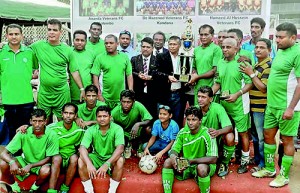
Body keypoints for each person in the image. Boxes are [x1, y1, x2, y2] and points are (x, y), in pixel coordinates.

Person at [252, 23, 300, 188]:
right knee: (268, 136)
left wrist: (291, 108)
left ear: (293, 37)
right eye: (276, 36)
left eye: (281, 37)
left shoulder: (298, 53)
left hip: (287, 106)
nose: (277, 40)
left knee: (287, 140)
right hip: (271, 105)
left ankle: (284, 175)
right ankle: (270, 168)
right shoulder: (280, 50)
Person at [30, 19, 85, 122]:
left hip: (62, 93)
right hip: (44, 93)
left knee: (64, 122)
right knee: (44, 122)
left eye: (55, 30)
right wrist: (4, 46)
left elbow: (74, 71)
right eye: (49, 29)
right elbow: (22, 50)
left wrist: (81, 89)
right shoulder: (37, 46)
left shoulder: (67, 50)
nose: (51, 32)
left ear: (61, 32)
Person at [212, 38, 253, 174]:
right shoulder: (220, 62)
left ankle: (245, 161)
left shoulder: (242, 63)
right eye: (223, 47)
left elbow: (250, 83)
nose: (225, 49)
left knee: (243, 134)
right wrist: (208, 95)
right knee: (227, 133)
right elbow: (218, 82)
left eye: (228, 47)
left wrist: (237, 94)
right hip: (224, 104)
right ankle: (227, 159)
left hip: (240, 105)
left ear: (236, 49)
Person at [0, 109, 59, 192]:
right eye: (34, 121)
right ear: (30, 121)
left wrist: (31, 166)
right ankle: (13, 185)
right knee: (3, 163)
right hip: (25, 161)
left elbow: (49, 158)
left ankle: (34, 187)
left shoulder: (52, 134)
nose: (37, 124)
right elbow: (3, 153)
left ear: (45, 121)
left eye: (40, 121)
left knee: (46, 171)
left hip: (42, 164)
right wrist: (12, 162)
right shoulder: (23, 132)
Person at [162, 106, 218, 193]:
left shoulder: (208, 134)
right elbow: (173, 150)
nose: (190, 123)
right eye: (188, 119)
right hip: (187, 164)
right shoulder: (182, 132)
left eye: (194, 120)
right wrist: (174, 159)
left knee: (201, 168)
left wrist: (190, 161)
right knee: (168, 162)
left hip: (202, 164)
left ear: (200, 121)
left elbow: (213, 159)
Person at [0, 24, 38, 141]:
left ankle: (24, 155)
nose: (14, 37)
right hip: (8, 99)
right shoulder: (1, 53)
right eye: (11, 34)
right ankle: (13, 155)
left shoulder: (29, 52)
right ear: (6, 36)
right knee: (11, 129)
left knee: (26, 129)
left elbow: (35, 69)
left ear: (22, 35)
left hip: (26, 98)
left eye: (16, 34)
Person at [240, 38, 272, 172]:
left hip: (261, 107)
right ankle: (258, 159)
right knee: (254, 136)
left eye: (262, 47)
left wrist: (251, 74)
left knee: (261, 137)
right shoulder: (256, 65)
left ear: (269, 50)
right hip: (252, 106)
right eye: (257, 47)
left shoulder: (268, 66)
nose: (258, 50)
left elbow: (263, 88)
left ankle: (263, 164)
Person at [78, 105, 125, 193]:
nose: (102, 119)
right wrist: (89, 164)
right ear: (96, 118)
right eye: (99, 116)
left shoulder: (117, 129)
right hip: (97, 157)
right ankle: (89, 190)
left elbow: (120, 148)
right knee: (81, 160)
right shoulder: (91, 130)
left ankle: (112, 190)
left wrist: (107, 164)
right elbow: (82, 148)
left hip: (111, 158)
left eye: (105, 116)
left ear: (110, 117)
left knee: (120, 160)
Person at [197, 86, 234, 177]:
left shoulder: (218, 108)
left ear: (211, 99)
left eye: (203, 97)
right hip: (201, 142)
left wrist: (218, 132)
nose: (200, 99)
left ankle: (224, 163)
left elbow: (229, 127)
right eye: (199, 96)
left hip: (217, 140)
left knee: (230, 137)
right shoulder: (195, 109)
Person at [47, 103, 85, 193]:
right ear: (62, 114)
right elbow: (38, 127)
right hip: (55, 160)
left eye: (71, 113)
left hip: (70, 161)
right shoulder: (52, 127)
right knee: (57, 158)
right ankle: (51, 190)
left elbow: (83, 147)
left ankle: (65, 188)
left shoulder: (79, 130)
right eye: (66, 113)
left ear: (75, 115)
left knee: (75, 157)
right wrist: (25, 127)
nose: (68, 116)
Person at [91, 34, 133, 109]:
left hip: (121, 98)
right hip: (105, 98)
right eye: (106, 43)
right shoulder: (99, 58)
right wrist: (99, 95)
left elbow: (129, 75)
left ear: (117, 44)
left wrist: (130, 92)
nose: (108, 45)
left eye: (111, 43)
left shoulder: (124, 57)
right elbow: (95, 77)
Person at [154, 36, 185, 127]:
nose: (172, 46)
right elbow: (154, 73)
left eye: (174, 44)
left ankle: (176, 139)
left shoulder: (184, 57)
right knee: (162, 119)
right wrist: (167, 77)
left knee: (177, 119)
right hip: (164, 93)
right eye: (170, 44)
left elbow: (187, 73)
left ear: (179, 45)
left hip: (178, 94)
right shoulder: (161, 56)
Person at [189, 24, 223, 105]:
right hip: (198, 89)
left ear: (212, 35)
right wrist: (194, 75)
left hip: (211, 89)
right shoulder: (196, 50)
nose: (203, 37)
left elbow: (214, 70)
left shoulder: (216, 49)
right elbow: (194, 67)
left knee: (210, 114)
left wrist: (198, 77)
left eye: (206, 34)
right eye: (201, 35)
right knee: (198, 114)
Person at [111, 90, 153, 155]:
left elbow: (149, 119)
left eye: (128, 102)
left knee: (149, 129)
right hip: (123, 133)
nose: (126, 105)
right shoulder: (115, 111)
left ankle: (142, 145)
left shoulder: (138, 105)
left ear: (133, 102)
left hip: (137, 131)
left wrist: (138, 124)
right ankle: (127, 145)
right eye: (123, 102)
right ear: (120, 101)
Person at [131, 37, 158, 117]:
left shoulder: (157, 60)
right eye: (143, 47)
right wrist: (137, 75)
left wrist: (151, 77)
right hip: (138, 93)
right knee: (138, 115)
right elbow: (130, 73)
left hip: (152, 93)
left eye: (148, 47)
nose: (145, 49)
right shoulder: (134, 59)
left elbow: (160, 75)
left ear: (152, 48)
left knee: (151, 115)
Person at [70, 30, 96, 104]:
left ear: (86, 42)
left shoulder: (92, 54)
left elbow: (94, 74)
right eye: (77, 40)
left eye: (82, 40)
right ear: (73, 40)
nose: (79, 42)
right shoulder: (68, 52)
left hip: (89, 95)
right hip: (72, 94)